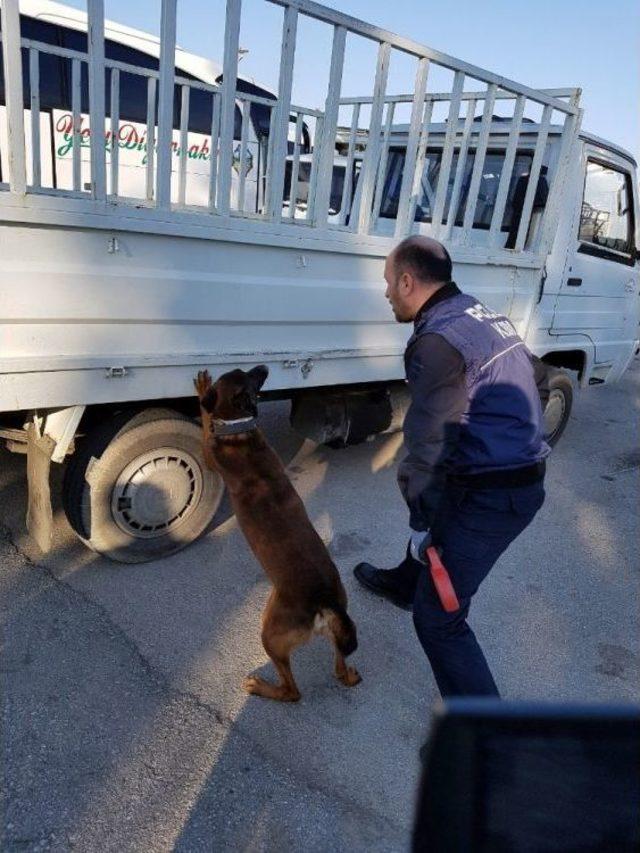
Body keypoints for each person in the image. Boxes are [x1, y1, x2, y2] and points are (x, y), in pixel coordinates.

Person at [354, 236, 549, 697]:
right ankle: (406, 583)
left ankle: (483, 740)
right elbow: (538, 379)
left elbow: (428, 444)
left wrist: (423, 515)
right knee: (437, 516)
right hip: (504, 478)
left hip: (496, 498)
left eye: (388, 283)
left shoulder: (437, 342)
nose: (385, 294)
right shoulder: (476, 313)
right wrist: (513, 441)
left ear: (407, 281)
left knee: (439, 617)